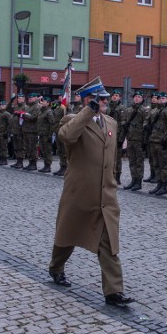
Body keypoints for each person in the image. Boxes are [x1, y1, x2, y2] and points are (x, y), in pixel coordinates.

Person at [47, 77, 135, 307]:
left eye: (104, 99)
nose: (104, 102)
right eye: (99, 99)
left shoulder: (111, 123)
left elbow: (112, 157)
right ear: (88, 100)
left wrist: (113, 182)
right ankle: (56, 267)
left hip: (105, 195)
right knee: (67, 236)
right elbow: (66, 137)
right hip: (80, 193)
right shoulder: (72, 119)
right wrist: (88, 111)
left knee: (108, 243)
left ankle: (113, 291)